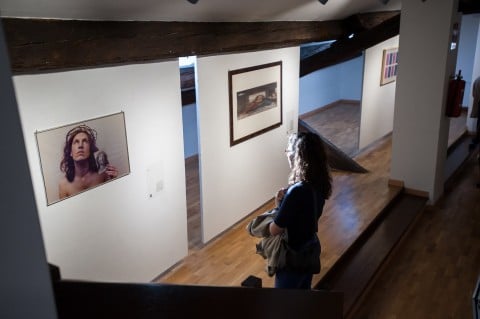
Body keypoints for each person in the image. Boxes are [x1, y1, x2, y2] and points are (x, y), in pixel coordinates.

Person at [269, 131, 332, 289]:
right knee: (302, 299)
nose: (287, 154)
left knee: (283, 305)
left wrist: (278, 205)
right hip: (309, 251)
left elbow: (275, 229)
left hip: (293, 257)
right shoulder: (320, 183)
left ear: (298, 156)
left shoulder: (296, 191)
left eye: (289, 151)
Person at [58, 124, 118, 199]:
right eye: (76, 142)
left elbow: (112, 199)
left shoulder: (103, 175)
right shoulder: (63, 185)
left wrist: (116, 182)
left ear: (90, 150)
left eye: (85, 141)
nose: (80, 145)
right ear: (71, 152)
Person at [471, 76, 480, 145]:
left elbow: (473, 94)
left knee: (479, 121)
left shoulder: (477, 79)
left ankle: (476, 139)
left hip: (478, 103)